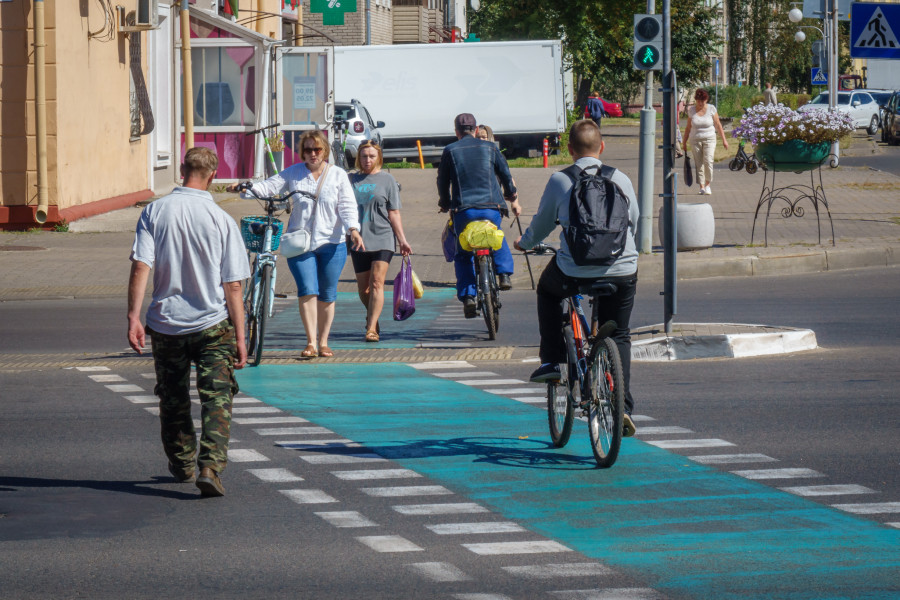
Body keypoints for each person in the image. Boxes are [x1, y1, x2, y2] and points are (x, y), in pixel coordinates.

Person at [127, 147, 250, 498]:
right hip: (213, 324)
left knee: (173, 396)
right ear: (212, 176)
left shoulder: (155, 211)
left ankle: (181, 461)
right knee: (217, 397)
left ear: (183, 170)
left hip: (167, 325)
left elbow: (141, 266)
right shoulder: (221, 219)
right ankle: (210, 466)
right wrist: (242, 337)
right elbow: (234, 286)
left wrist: (134, 316)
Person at [514, 119, 639, 437]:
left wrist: (524, 243)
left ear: (569, 150)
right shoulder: (621, 178)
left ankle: (552, 362)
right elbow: (633, 222)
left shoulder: (560, 179)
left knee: (547, 290)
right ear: (602, 147)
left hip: (573, 270)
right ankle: (620, 404)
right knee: (620, 333)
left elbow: (542, 225)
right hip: (622, 268)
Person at [229, 130, 364, 358]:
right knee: (307, 290)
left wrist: (353, 229)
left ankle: (324, 342)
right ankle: (311, 342)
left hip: (332, 242)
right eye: (308, 150)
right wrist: (245, 187)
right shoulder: (294, 173)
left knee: (328, 293)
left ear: (325, 151)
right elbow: (269, 187)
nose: (313, 154)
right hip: (300, 242)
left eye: (317, 149)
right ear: (303, 152)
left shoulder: (338, 175)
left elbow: (347, 205)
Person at [437, 113, 520, 317]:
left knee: (463, 253)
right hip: (491, 208)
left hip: (463, 211)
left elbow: (442, 181)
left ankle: (468, 296)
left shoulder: (450, 150)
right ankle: (503, 275)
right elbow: (505, 174)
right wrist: (511, 195)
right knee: (496, 237)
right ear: (475, 130)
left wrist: (445, 202)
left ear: (456, 131)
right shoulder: (491, 148)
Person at [348, 140, 412, 342]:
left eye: (372, 156)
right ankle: (371, 315)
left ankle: (371, 327)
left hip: (383, 237)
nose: (367, 160)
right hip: (359, 239)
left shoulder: (387, 180)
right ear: (358, 158)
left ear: (379, 158)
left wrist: (402, 240)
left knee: (377, 283)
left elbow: (394, 212)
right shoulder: (350, 180)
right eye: (364, 156)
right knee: (363, 288)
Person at [683, 88, 729, 196]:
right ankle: (702, 186)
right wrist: (684, 142)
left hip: (709, 138)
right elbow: (688, 127)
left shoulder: (711, 109)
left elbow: (718, 125)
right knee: (699, 163)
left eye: (702, 101)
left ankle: (708, 185)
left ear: (706, 100)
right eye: (698, 101)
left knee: (708, 161)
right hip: (695, 140)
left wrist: (724, 140)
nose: (700, 103)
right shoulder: (692, 110)